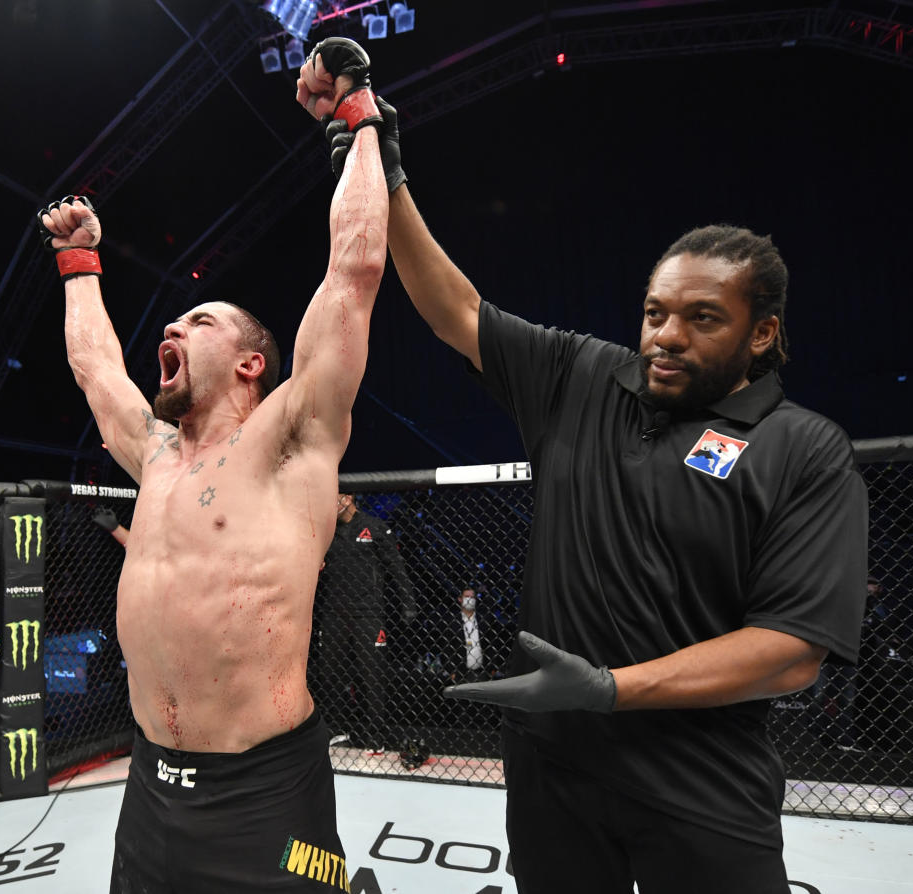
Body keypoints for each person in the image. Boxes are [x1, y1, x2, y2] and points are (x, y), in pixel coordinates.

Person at [316, 98, 868, 891]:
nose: (665, 336)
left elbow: (789, 651)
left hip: (703, 780)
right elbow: (455, 308)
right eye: (655, 312)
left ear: (761, 333)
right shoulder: (585, 376)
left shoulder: (802, 446)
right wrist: (388, 174)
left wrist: (613, 691)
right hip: (553, 772)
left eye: (701, 318)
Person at [39, 35, 388, 892]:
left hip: (270, 795)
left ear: (249, 362)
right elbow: (92, 368)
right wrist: (78, 262)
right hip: (150, 789)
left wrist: (357, 118)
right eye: (171, 323)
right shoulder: (154, 456)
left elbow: (353, 270)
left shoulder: (291, 439)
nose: (168, 329)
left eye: (196, 322)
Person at [315, 492, 415, 752]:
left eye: (335, 497)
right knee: (330, 674)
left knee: (371, 675)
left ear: (347, 499)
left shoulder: (375, 527)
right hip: (334, 613)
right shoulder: (326, 531)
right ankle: (337, 730)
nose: (330, 503)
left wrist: (408, 602)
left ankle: (375, 736)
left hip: (367, 612)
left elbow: (396, 568)